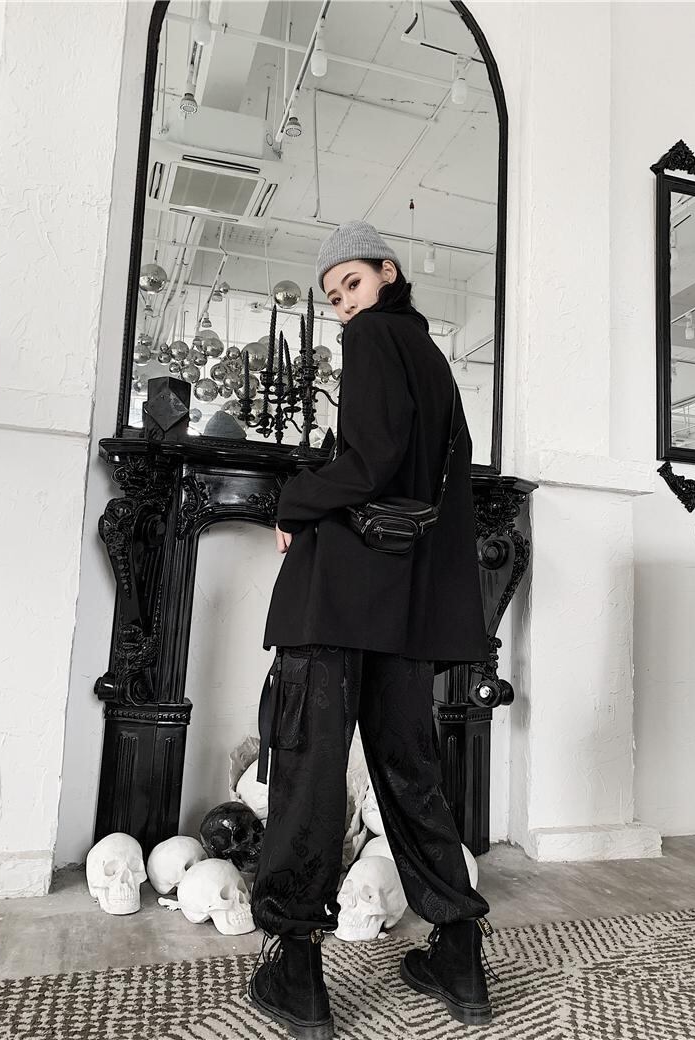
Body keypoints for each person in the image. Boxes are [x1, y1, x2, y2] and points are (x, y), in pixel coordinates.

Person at [246, 221, 497, 1037]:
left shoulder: (372, 340)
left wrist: (294, 502)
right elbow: (431, 482)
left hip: (337, 596)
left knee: (310, 771)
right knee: (411, 775)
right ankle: (458, 951)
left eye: (350, 283)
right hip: (402, 607)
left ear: (387, 273)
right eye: (332, 297)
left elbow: (371, 460)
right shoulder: (433, 360)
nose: (343, 304)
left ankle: (296, 971)